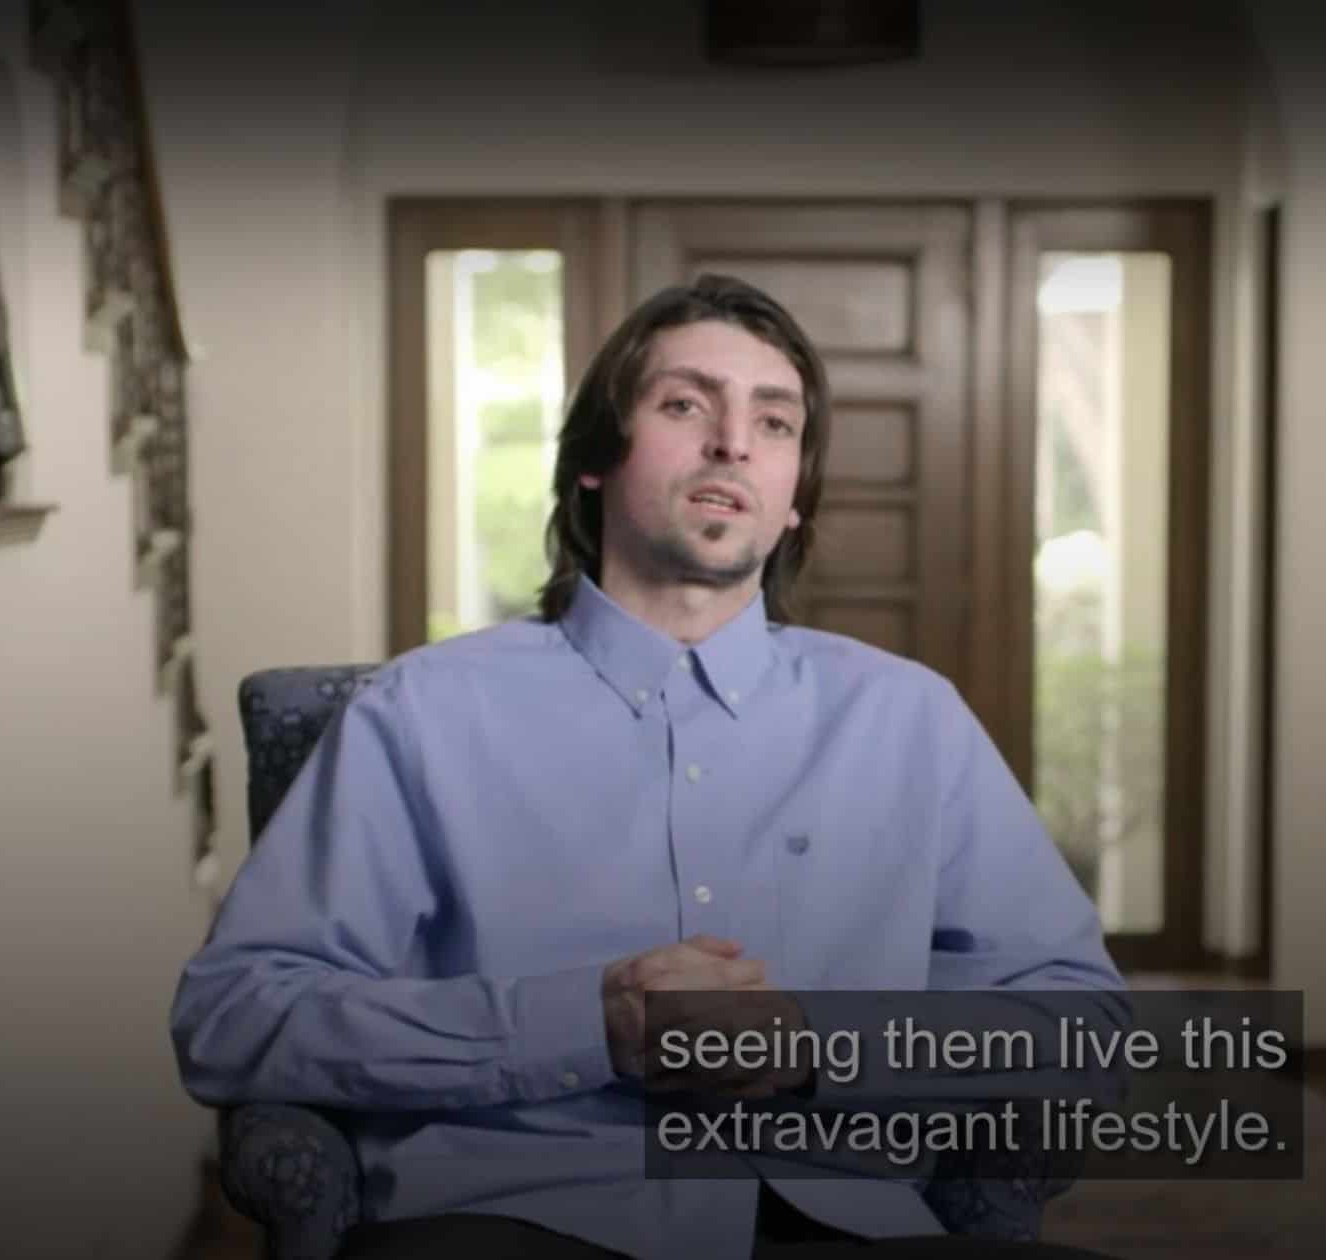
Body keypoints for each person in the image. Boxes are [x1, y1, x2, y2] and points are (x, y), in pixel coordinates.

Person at [171, 274, 1128, 1259]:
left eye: (774, 421)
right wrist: (586, 1027)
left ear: (794, 502)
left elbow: (1087, 1023)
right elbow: (232, 1017)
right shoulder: (418, 713)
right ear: (593, 459)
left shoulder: (909, 718)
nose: (733, 443)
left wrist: (815, 1042)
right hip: (513, 1219)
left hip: (845, 1221)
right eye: (684, 405)